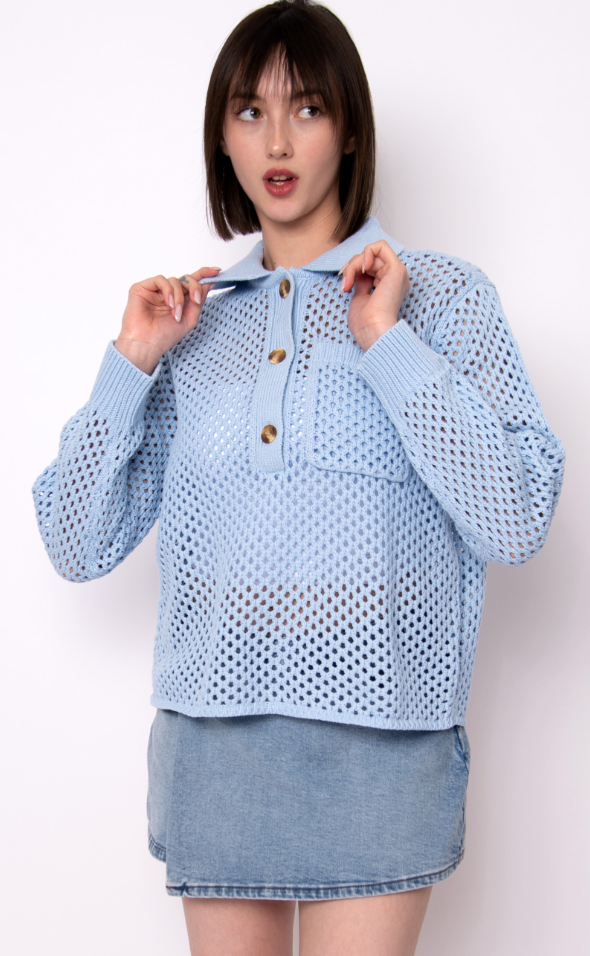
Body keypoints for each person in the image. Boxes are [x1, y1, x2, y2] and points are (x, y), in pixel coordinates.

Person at [32, 1, 565, 954]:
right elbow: (74, 543)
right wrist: (131, 361)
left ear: (350, 129)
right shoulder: (192, 327)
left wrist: (386, 341)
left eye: (308, 108)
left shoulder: (443, 297)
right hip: (215, 748)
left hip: (382, 743)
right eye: (249, 111)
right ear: (221, 138)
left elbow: (516, 517)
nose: (277, 141)